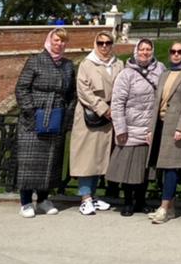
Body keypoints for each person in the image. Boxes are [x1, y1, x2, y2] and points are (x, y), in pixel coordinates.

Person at [14, 28, 75, 217]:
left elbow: (72, 93)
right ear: (50, 40)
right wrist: (31, 111)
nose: (59, 44)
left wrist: (67, 116)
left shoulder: (67, 65)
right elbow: (22, 87)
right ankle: (25, 201)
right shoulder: (35, 61)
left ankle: (42, 199)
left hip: (56, 115)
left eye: (63, 41)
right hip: (35, 116)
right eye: (56, 40)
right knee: (29, 160)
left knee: (50, 161)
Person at [106, 38, 165, 216]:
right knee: (129, 168)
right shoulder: (126, 74)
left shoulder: (160, 70)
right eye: (142, 49)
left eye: (148, 49)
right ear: (136, 51)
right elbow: (117, 102)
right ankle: (128, 201)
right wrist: (120, 128)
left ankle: (141, 200)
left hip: (150, 126)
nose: (145, 53)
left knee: (145, 168)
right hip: (131, 126)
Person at [70, 29, 119, 215]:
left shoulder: (118, 64)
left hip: (109, 116)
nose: (104, 46)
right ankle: (85, 197)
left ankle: (94, 194)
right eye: (101, 43)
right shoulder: (87, 64)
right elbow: (83, 90)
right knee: (86, 156)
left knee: (99, 156)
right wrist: (103, 109)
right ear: (95, 44)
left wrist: (114, 109)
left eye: (108, 43)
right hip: (90, 115)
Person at [150, 41, 181, 223]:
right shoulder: (165, 74)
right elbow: (156, 101)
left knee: (171, 168)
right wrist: (150, 128)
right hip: (160, 124)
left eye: (180, 52)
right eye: (173, 51)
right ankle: (170, 207)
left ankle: (163, 207)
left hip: (175, 126)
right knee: (161, 166)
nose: (176, 54)